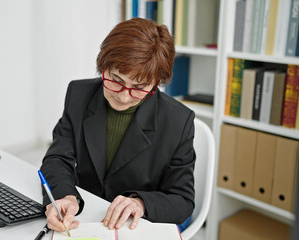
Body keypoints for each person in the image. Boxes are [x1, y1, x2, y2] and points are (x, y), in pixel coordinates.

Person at [40, 17, 196, 233]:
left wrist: (141, 203)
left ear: (156, 83)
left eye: (139, 87)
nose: (123, 97)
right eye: (116, 80)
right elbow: (58, 158)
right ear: (103, 66)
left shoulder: (178, 121)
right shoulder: (78, 95)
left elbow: (182, 200)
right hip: (87, 218)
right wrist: (65, 195)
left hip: (135, 226)